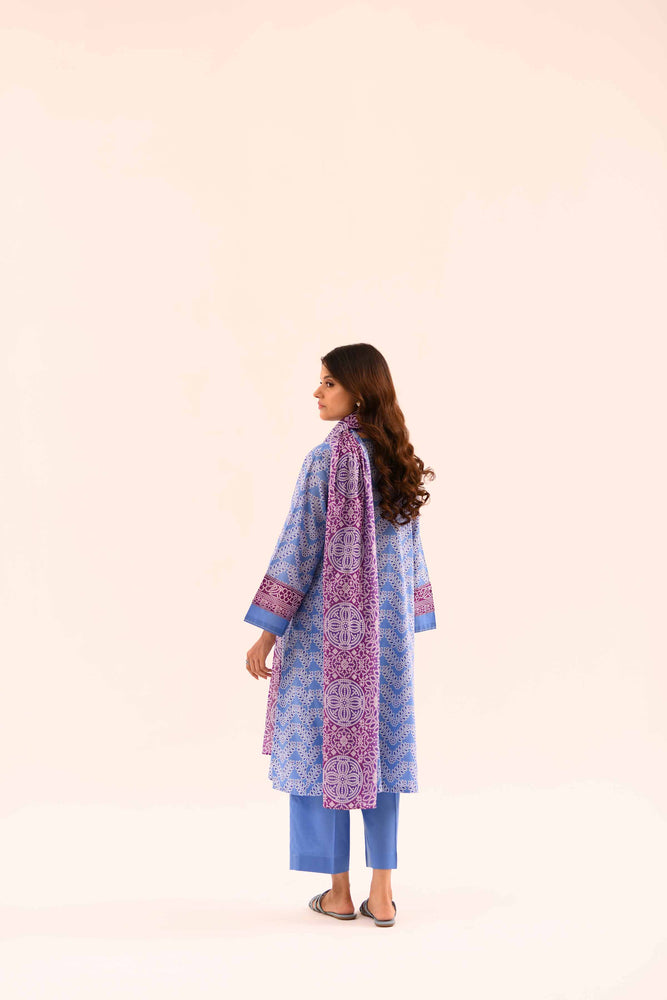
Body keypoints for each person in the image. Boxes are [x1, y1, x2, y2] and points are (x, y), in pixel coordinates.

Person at [243, 343, 436, 927]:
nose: (317, 391)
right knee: (380, 752)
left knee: (319, 750)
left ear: (359, 390)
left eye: (328, 382)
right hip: (385, 641)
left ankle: (338, 893)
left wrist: (267, 633)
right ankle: (383, 894)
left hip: (327, 638)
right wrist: (409, 619)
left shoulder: (326, 459)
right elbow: (412, 555)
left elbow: (298, 548)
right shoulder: (397, 460)